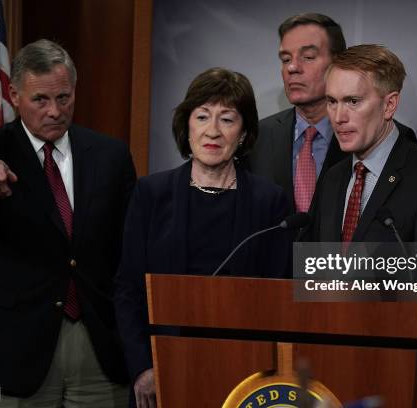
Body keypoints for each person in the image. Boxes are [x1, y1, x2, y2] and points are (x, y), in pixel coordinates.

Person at [0, 39, 135, 407]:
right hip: (11, 349)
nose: (54, 111)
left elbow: (129, 249)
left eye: (64, 98)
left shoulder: (111, 155)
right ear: (14, 95)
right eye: (40, 100)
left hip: (98, 347)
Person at [114, 67, 292, 407]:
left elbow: (277, 296)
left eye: (227, 119)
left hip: (246, 375)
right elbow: (128, 290)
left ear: (243, 132)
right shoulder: (151, 193)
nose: (213, 131)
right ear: (187, 126)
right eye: (202, 116)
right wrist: (143, 367)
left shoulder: (269, 201)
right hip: (163, 373)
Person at [247, 13, 417, 215]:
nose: (292, 67)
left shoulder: (385, 138)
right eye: (285, 59)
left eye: (308, 57)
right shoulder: (259, 136)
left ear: (338, 62)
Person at [302, 44, 417, 243]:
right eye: (332, 101)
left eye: (353, 101)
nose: (338, 117)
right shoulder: (332, 178)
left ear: (389, 105)